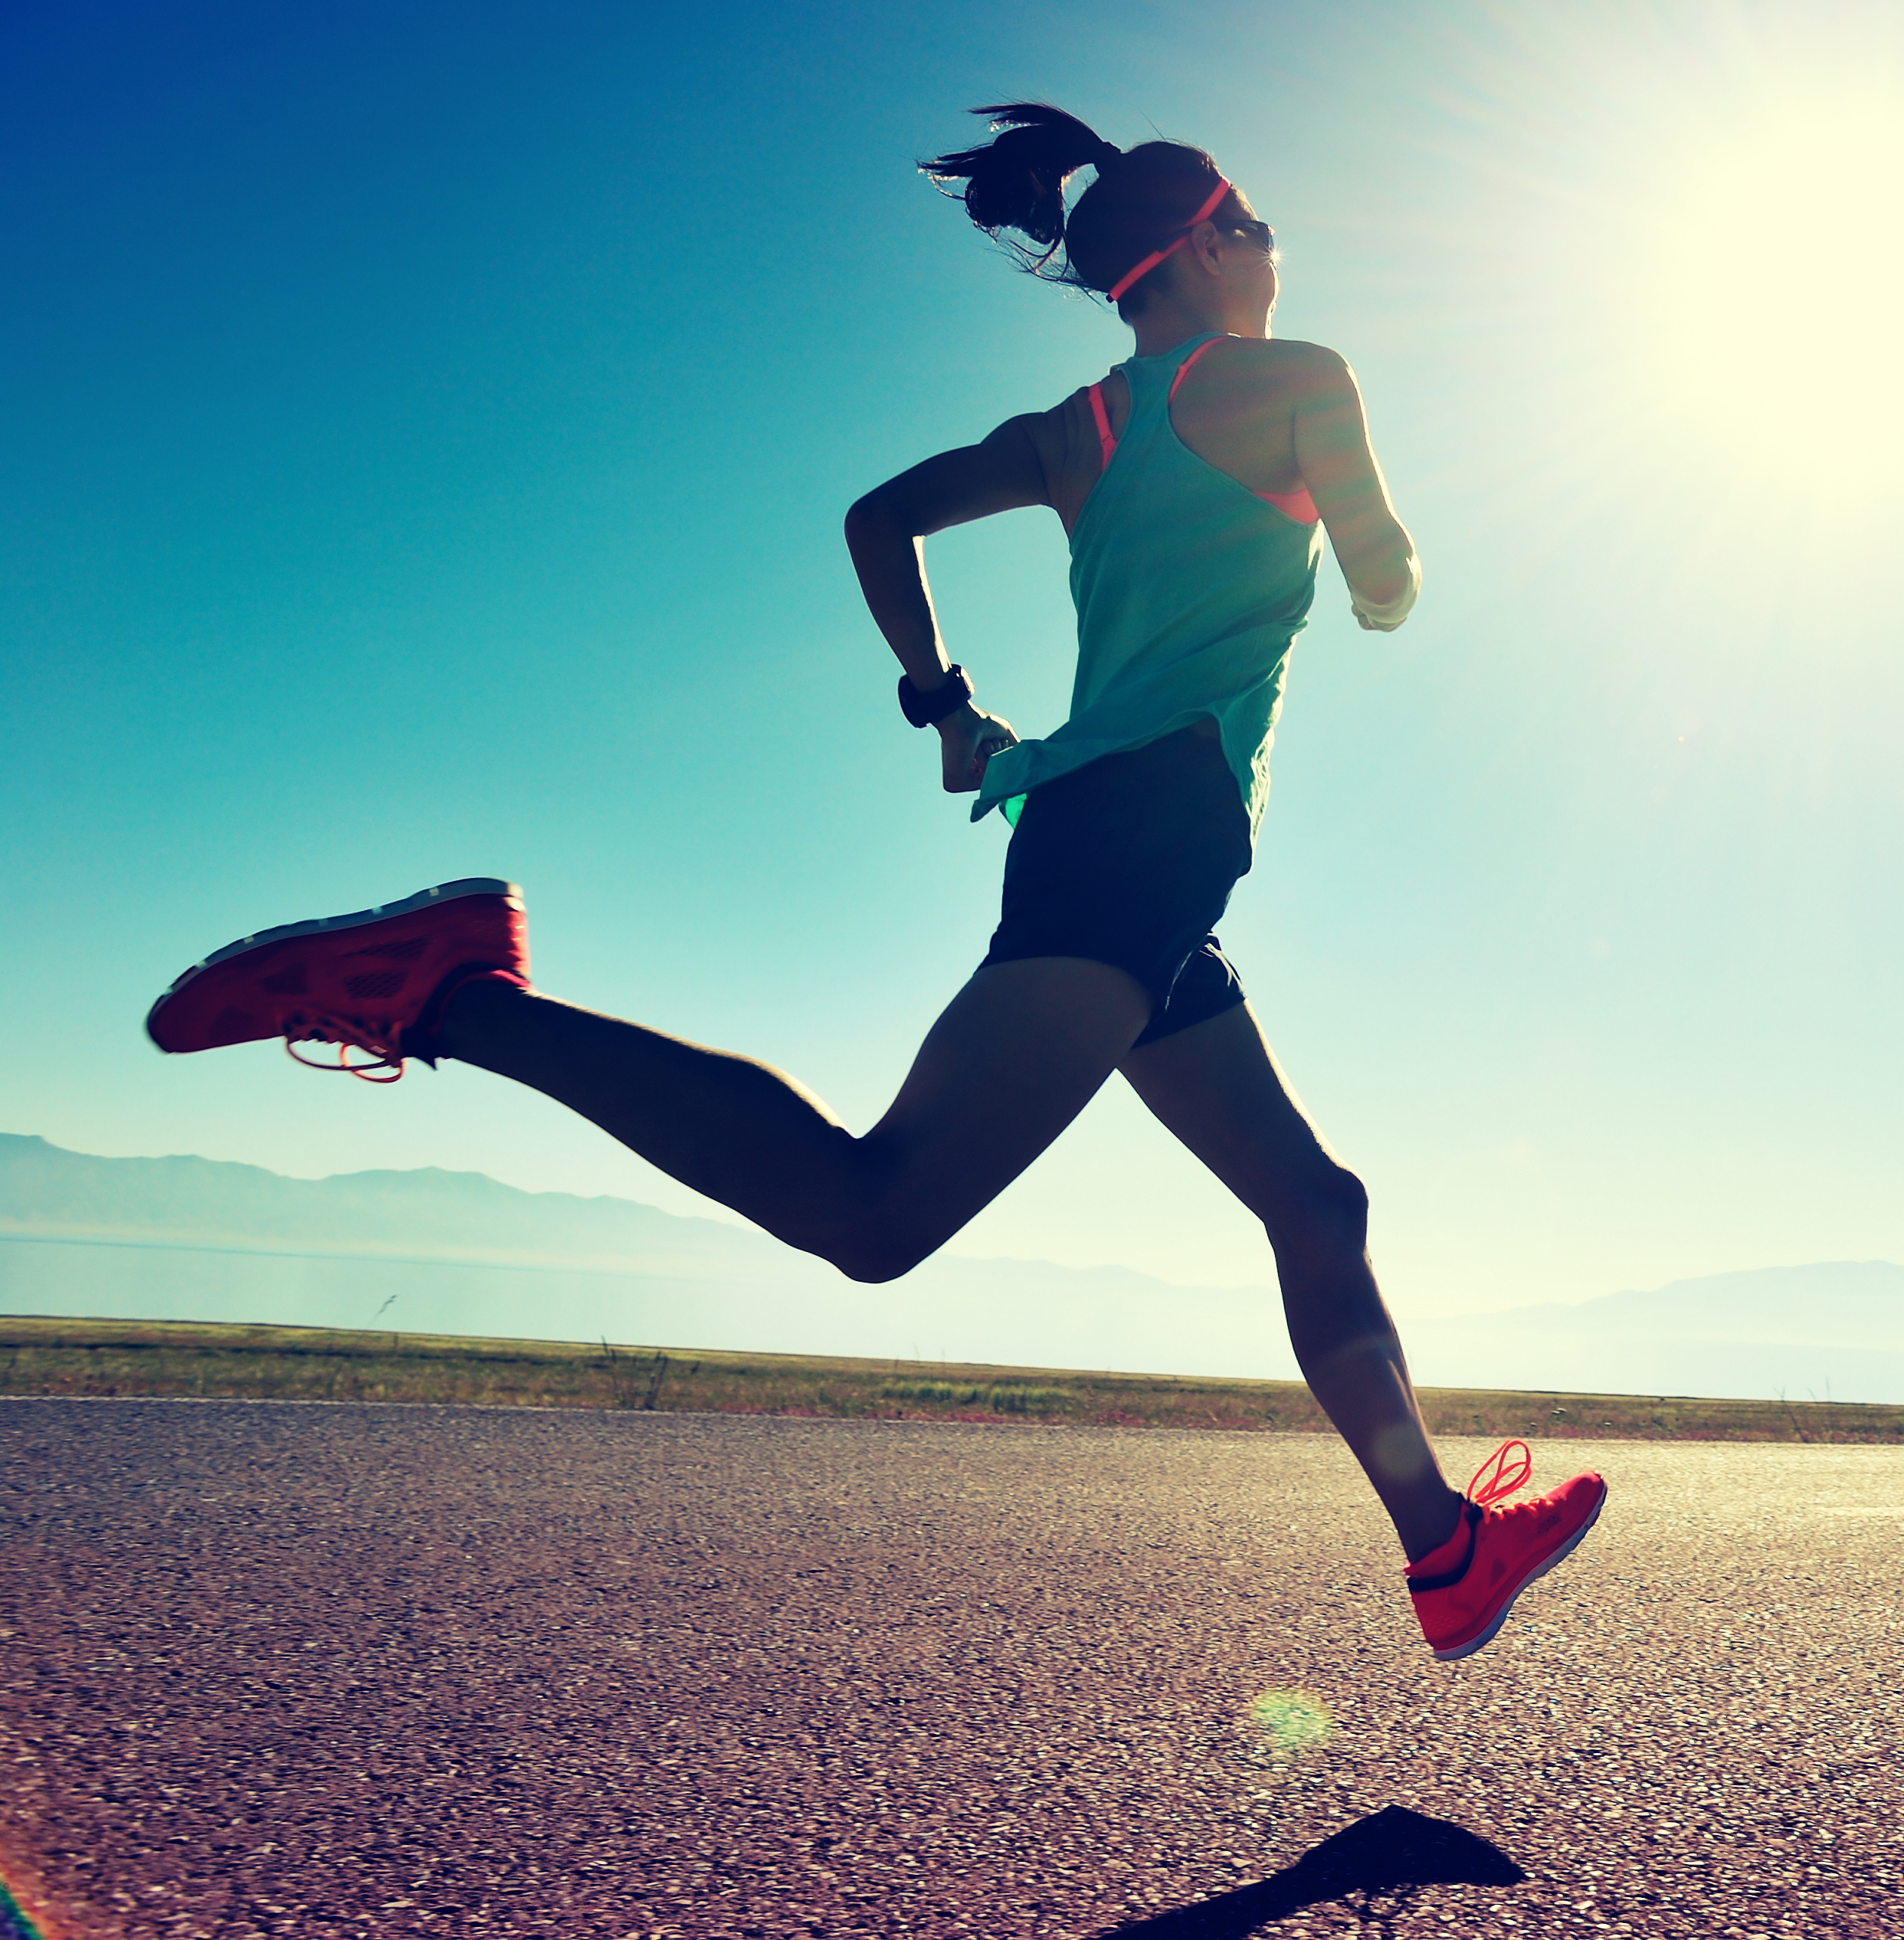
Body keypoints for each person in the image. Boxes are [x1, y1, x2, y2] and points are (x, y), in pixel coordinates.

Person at [143, 103, 1605, 1663]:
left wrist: (944, 702)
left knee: (1316, 1200)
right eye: (1257, 228)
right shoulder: (1300, 382)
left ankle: (1444, 1551)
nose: (1276, 253)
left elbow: (879, 517)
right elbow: (1385, 585)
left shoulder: (1082, 431)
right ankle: (452, 998)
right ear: (1200, 252)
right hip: (1143, 833)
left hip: (1128, 842)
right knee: (875, 1210)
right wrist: (1365, 553)